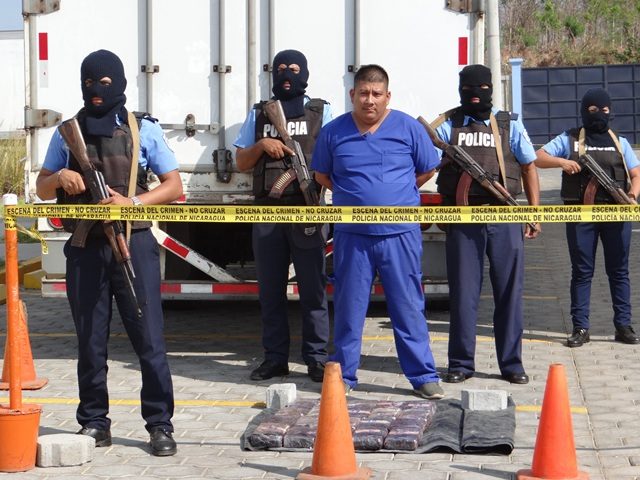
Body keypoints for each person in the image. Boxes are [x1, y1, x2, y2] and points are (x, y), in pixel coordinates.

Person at [36, 49, 182, 456]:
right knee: (90, 341)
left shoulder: (142, 129)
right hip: (85, 247)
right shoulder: (68, 132)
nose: (96, 90)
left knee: (149, 340)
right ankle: (94, 422)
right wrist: (60, 177)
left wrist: (131, 203)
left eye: (104, 82)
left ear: (119, 83)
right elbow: (42, 188)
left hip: (132, 242)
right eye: (89, 82)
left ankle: (160, 425)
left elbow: (173, 186)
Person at [312, 64, 444, 399]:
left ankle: (423, 376)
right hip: (353, 236)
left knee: (407, 306)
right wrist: (356, 195)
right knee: (349, 308)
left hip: (399, 234)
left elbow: (427, 170)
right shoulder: (333, 132)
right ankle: (343, 375)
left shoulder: (408, 128)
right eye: (363, 93)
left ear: (388, 96)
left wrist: (397, 194)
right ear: (352, 95)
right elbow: (322, 175)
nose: (369, 100)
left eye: (376, 94)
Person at [433, 64, 540, 385]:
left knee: (509, 293)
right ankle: (460, 363)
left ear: (491, 88)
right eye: (468, 89)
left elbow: (529, 167)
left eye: (481, 88)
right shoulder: (447, 125)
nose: (475, 94)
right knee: (463, 294)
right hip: (463, 219)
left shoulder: (508, 124)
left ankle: (512, 364)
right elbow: (425, 160)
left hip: (505, 216)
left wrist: (534, 212)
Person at [234, 49, 332, 383]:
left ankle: (317, 358)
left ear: (305, 72)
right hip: (268, 213)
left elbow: (337, 154)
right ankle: (275, 358)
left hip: (307, 211)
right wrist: (262, 145)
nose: (287, 74)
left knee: (313, 289)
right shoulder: (260, 113)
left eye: (294, 68)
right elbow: (241, 162)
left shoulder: (322, 112)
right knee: (270, 291)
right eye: (281, 69)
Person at [535, 87, 640, 347]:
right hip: (581, 215)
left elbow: (636, 174)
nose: (599, 114)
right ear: (584, 111)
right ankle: (580, 327)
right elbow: (538, 157)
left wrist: (632, 195)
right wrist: (562, 163)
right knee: (582, 272)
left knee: (619, 271)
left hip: (616, 214)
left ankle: (623, 326)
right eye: (593, 110)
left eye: (604, 110)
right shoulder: (570, 138)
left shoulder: (619, 141)